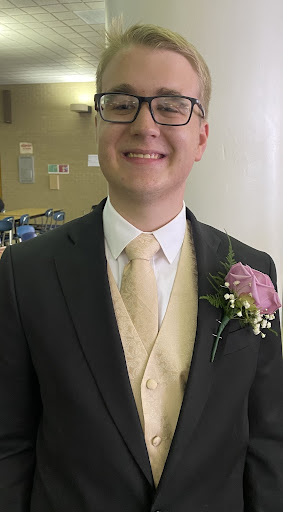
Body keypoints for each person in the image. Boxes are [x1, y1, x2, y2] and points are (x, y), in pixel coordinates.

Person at [0, 23, 282, 512]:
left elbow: (268, 441)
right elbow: (9, 441)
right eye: (122, 102)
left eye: (172, 105)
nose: (145, 125)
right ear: (98, 122)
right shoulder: (25, 273)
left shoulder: (253, 270)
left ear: (201, 136)